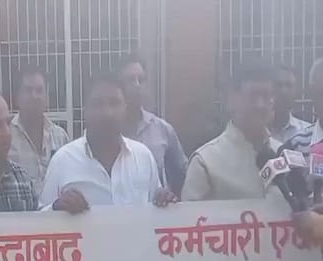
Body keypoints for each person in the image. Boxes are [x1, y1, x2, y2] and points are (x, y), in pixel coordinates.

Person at [40, 73, 177, 213]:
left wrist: (164, 202)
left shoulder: (144, 156)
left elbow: (156, 208)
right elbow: (40, 219)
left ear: (125, 109)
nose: (107, 113)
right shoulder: (63, 161)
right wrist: (57, 207)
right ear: (85, 111)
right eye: (98, 104)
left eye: (114, 103)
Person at [182, 60, 282, 201]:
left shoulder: (284, 155)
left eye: (266, 96)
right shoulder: (206, 162)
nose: (260, 105)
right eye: (253, 96)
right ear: (231, 100)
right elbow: (189, 213)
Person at [116, 54, 188, 196]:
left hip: (155, 209)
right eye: (130, 80)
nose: (137, 85)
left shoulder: (162, 130)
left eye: (141, 80)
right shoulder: (106, 131)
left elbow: (183, 176)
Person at [8, 65, 70, 195]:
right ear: (17, 98)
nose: (34, 96)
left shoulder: (60, 136)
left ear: (46, 98)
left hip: (55, 207)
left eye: (39, 90)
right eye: (28, 90)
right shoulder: (7, 137)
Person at [268, 65, 310, 143]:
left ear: (297, 91)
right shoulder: (255, 132)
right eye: (278, 85)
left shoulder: (308, 133)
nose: (283, 91)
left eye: (289, 85)